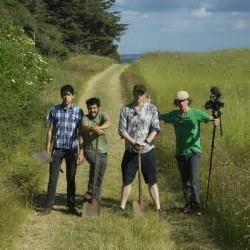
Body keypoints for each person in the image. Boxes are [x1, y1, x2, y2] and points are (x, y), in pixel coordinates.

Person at [160, 90, 220, 215]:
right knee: (185, 180)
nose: (182, 103)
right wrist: (149, 107)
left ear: (188, 101)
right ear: (176, 103)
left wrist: (215, 120)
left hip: (194, 151)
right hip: (180, 152)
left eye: (184, 100)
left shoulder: (196, 113)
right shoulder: (174, 115)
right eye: (179, 101)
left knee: (194, 179)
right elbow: (160, 116)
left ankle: (196, 206)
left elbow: (211, 119)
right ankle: (188, 205)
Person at [39, 84, 84, 216]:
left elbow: (81, 133)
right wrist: (47, 147)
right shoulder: (54, 110)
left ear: (73, 96)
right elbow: (50, 131)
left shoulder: (78, 111)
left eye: (69, 94)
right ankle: (48, 207)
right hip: (57, 149)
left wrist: (81, 152)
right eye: (64, 94)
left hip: (72, 150)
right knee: (53, 179)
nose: (66, 97)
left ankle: (71, 206)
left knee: (71, 179)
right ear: (61, 96)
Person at [117, 83, 162, 214]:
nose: (139, 95)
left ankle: (158, 208)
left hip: (148, 151)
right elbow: (122, 130)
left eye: (141, 93)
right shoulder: (126, 110)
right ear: (133, 93)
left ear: (145, 94)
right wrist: (134, 142)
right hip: (131, 151)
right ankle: (122, 207)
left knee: (152, 181)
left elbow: (156, 128)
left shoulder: (152, 108)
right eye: (137, 92)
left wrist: (145, 142)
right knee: (127, 180)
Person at [81, 97, 111, 201]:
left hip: (103, 150)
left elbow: (108, 122)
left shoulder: (102, 115)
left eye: (94, 108)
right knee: (96, 163)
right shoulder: (85, 118)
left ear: (98, 107)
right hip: (89, 149)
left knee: (100, 175)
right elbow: (83, 127)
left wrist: (99, 128)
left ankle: (96, 196)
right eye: (89, 108)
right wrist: (93, 128)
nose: (92, 110)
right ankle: (90, 191)